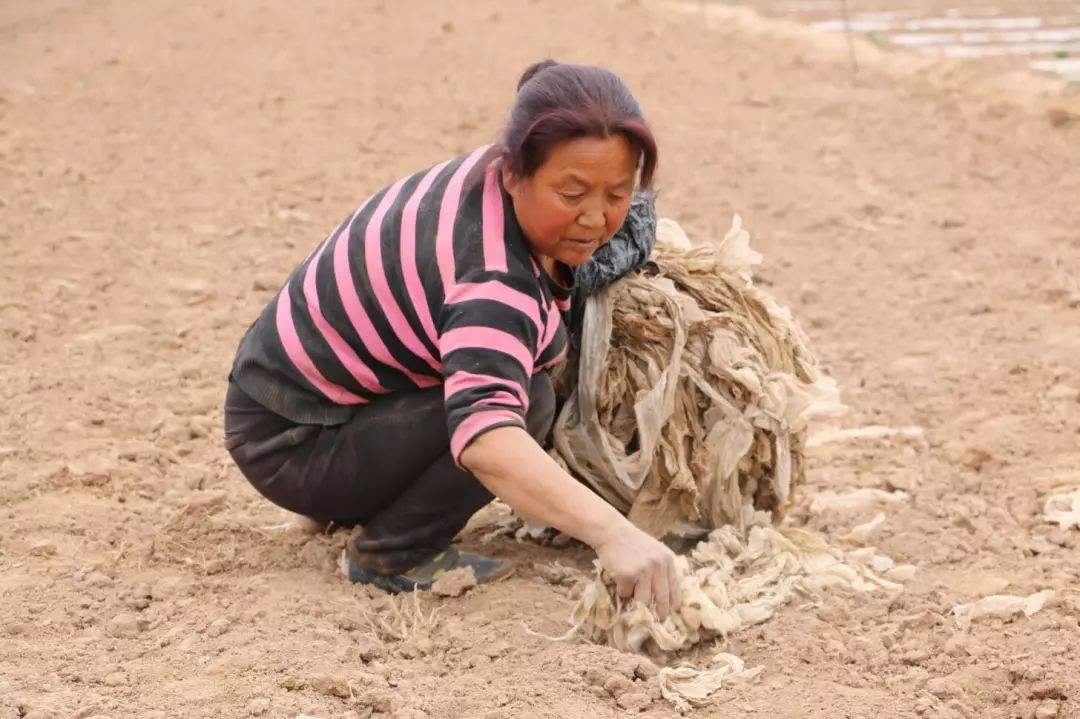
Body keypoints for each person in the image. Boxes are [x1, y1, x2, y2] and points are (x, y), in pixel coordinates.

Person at [223, 60, 681, 618]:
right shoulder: (491, 278)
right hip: (290, 445)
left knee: (521, 376)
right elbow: (487, 437)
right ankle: (390, 555)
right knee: (528, 403)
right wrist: (614, 535)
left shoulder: (486, 179)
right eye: (572, 194)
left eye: (617, 193)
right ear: (515, 172)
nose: (595, 218)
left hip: (295, 406)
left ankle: (359, 499)